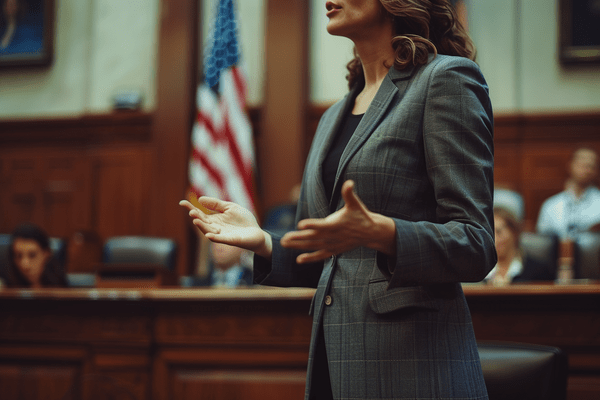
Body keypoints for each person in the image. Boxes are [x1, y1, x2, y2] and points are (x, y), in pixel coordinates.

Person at [181, 0, 495, 399]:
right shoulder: (333, 116)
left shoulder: (445, 80)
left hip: (414, 368)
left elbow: (476, 243)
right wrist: (262, 241)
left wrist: (386, 233)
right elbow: (327, 258)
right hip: (336, 364)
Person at [536, 147, 600, 239]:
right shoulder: (551, 205)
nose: (587, 169)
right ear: (570, 165)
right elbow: (543, 242)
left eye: (591, 166)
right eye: (582, 164)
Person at [485, 207, 555, 286]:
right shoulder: (479, 271)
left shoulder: (539, 270)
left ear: (514, 232)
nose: (495, 240)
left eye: (499, 232)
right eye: (490, 234)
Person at [2, 223, 68, 288]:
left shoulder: (61, 287)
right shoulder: (5, 286)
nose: (25, 265)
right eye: (19, 256)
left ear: (46, 254)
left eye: (32, 255)